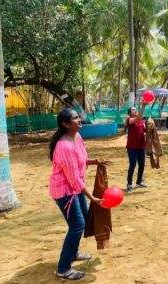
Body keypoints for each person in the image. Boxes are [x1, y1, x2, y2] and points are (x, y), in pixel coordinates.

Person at [49, 108, 108, 280]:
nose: (80, 119)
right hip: (65, 192)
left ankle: (73, 253)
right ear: (66, 124)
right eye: (75, 118)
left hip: (75, 189)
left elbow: (80, 161)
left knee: (80, 220)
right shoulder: (64, 146)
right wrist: (93, 198)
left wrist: (95, 161)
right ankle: (63, 269)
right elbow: (74, 179)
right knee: (77, 226)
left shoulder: (77, 137)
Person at [126, 102, 148, 192]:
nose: (135, 111)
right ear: (130, 113)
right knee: (133, 165)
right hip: (132, 147)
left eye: (135, 109)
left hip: (141, 146)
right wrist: (143, 106)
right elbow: (138, 117)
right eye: (133, 110)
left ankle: (139, 182)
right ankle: (129, 184)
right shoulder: (129, 120)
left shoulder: (142, 121)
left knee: (142, 164)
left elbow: (145, 131)